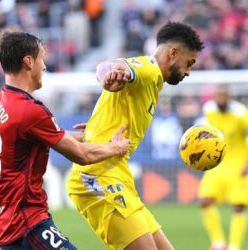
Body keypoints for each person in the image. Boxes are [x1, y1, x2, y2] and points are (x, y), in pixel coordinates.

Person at [0, 31, 131, 250]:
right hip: (25, 221)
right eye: (42, 58)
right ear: (28, 61)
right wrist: (116, 147)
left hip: (5, 219)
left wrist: (89, 135)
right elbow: (82, 155)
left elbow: (40, 137)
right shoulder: (29, 110)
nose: (44, 66)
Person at [67, 21, 204, 250]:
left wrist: (94, 127)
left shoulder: (154, 83)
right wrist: (106, 76)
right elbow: (109, 66)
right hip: (97, 176)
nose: (188, 72)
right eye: (189, 63)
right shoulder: (148, 70)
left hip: (119, 175)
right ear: (173, 53)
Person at [198, 85, 248, 250]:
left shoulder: (241, 114)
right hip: (217, 164)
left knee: (239, 206)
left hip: (239, 164)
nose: (220, 97)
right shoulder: (209, 110)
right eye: (217, 94)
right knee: (204, 201)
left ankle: (234, 246)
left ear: (229, 97)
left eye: (223, 94)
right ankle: (218, 243)